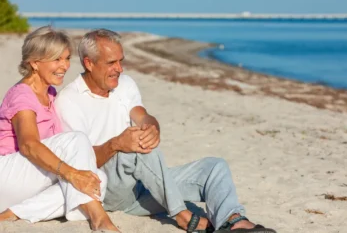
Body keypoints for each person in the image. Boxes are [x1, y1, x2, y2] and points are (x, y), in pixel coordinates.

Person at [4, 28, 276, 233]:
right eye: (111, 63)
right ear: (89, 63)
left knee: (214, 167)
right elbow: (78, 159)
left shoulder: (119, 84)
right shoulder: (67, 100)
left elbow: (142, 116)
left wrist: (152, 128)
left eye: (121, 61)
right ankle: (179, 214)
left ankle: (234, 221)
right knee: (132, 150)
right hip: (105, 182)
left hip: (144, 183)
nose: (119, 69)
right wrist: (116, 145)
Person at [0, 26, 120, 232]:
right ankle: (101, 220)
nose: (64, 66)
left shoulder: (50, 93)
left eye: (66, 58)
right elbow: (28, 145)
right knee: (75, 142)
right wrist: (71, 174)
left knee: (96, 177)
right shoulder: (22, 95)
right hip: (7, 174)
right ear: (35, 63)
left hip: (28, 180)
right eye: (56, 59)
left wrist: (77, 174)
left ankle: (13, 213)